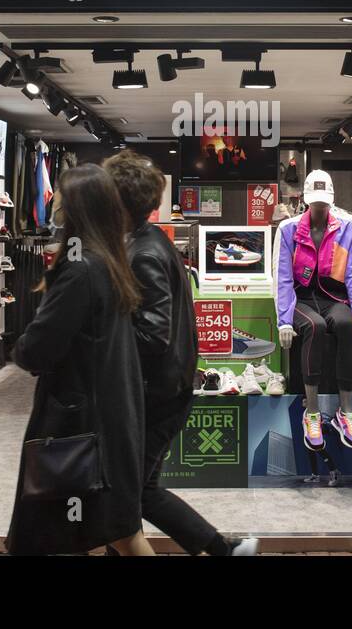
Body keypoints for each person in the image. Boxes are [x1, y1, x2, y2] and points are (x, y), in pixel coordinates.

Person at [103, 151, 259, 557]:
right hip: (166, 389)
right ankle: (225, 550)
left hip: (157, 395)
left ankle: (225, 551)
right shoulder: (147, 244)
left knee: (125, 496)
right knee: (138, 492)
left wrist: (103, 344)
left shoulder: (143, 253)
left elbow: (153, 334)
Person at [6, 164, 154, 556]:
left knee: (68, 531)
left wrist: (18, 345)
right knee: (112, 529)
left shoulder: (80, 269)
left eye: (60, 199)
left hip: (77, 426)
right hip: (109, 420)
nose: (54, 205)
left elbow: (37, 348)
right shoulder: (110, 262)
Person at [276, 169, 352, 451]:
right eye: (315, 202)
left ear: (330, 200)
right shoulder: (288, 229)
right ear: (306, 200)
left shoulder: (346, 228)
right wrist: (284, 319)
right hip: (301, 299)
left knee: (345, 325)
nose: (319, 208)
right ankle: (312, 412)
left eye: (323, 202)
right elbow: (281, 276)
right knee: (314, 326)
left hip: (332, 296)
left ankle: (345, 411)